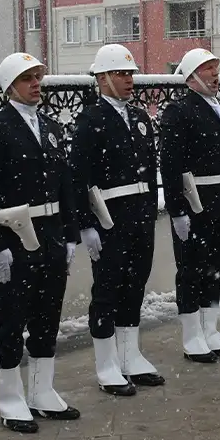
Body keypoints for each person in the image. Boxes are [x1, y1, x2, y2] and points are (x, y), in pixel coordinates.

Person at [0, 52, 82, 433]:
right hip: (15, 235)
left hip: (50, 234)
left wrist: (70, 233)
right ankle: (11, 399)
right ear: (9, 87)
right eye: (27, 78)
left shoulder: (49, 126)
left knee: (47, 316)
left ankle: (42, 391)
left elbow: (65, 183)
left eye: (38, 77)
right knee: (11, 319)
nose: (36, 84)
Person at [70, 45, 162, 395]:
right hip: (110, 217)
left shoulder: (138, 118)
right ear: (102, 78)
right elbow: (79, 177)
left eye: (130, 73)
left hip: (139, 215)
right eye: (121, 74)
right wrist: (86, 225)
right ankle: (106, 363)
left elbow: (150, 171)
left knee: (135, 286)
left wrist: (150, 211)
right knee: (107, 290)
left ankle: (129, 355)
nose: (128, 80)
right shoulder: (91, 119)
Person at [161, 48, 220, 362]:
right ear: (192, 76)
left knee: (215, 269)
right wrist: (177, 210)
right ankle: (192, 336)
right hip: (197, 204)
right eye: (208, 69)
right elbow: (171, 166)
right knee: (191, 270)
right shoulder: (180, 111)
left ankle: (211, 330)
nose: (215, 74)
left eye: (216, 68)